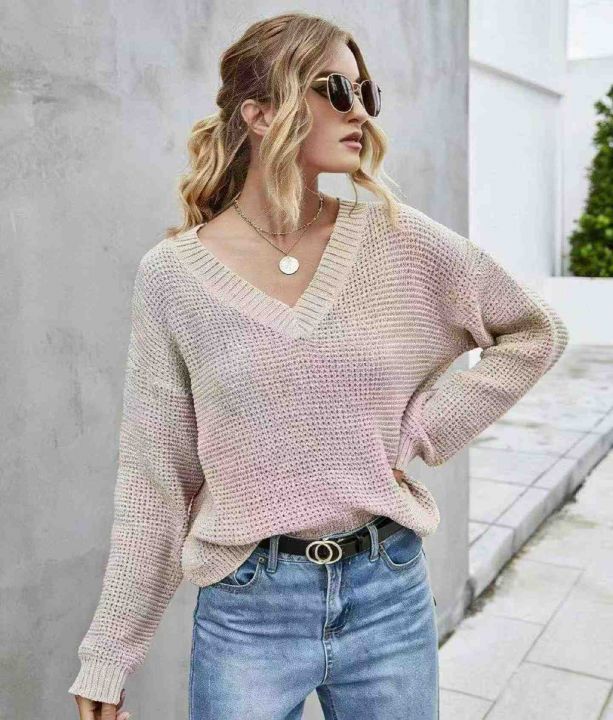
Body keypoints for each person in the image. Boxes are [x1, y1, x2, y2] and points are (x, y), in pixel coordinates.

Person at [69, 11, 569, 720]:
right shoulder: (173, 277)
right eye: (335, 89)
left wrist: (424, 429)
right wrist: (110, 652)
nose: (359, 110)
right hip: (247, 612)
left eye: (366, 92)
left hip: (387, 593)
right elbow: (156, 479)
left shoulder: (397, 240)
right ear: (259, 114)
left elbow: (533, 331)